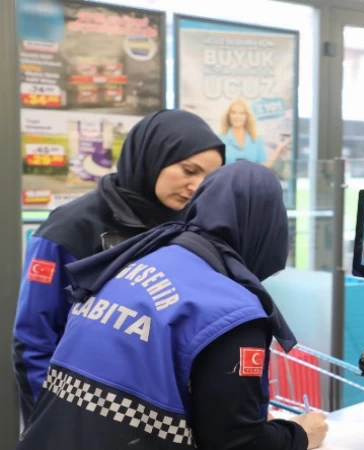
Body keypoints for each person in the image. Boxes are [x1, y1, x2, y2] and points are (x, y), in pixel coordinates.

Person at [16, 162, 329, 450]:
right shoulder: (229, 309)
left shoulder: (137, 260)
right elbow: (236, 443)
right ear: (269, 225)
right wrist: (300, 434)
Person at [12, 109, 225, 429]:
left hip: (160, 416)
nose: (195, 186)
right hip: (79, 414)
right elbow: (34, 342)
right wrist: (53, 423)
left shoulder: (191, 227)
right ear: (152, 156)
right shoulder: (70, 228)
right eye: (188, 170)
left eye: (207, 179)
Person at [220, 98, 291, 168]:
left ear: (247, 116)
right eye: (233, 112)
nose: (237, 116)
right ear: (228, 116)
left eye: (242, 113)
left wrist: (277, 151)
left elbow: (263, 167)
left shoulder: (256, 140)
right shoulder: (220, 140)